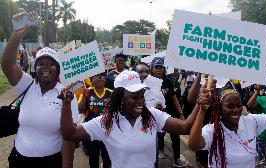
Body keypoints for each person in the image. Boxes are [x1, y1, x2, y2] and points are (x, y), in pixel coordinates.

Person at [60, 70, 197, 168]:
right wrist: (66, 104)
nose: (140, 101)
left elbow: (185, 127)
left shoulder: (153, 115)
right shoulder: (106, 121)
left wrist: (200, 107)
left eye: (141, 96)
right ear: (120, 98)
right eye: (134, 97)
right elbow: (69, 134)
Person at [1, 13, 78, 168]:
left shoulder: (66, 95)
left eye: (50, 63)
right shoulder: (28, 85)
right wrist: (17, 34)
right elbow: (7, 65)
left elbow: (68, 138)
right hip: (19, 160)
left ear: (58, 69)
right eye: (41, 63)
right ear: (35, 68)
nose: (45, 67)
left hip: (50, 162)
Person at [188, 86, 266, 168]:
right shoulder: (212, 130)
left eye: (239, 105)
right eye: (230, 106)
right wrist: (202, 111)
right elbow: (193, 146)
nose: (236, 110)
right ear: (220, 109)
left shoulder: (250, 121)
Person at [150, 57, 187, 167]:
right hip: (156, 115)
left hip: (171, 113)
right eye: (156, 67)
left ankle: (177, 158)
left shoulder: (168, 81)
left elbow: (174, 97)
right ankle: (160, 149)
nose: (159, 70)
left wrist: (180, 113)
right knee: (159, 134)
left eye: (161, 67)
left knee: (175, 136)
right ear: (152, 68)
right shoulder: (148, 82)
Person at [78, 72, 111, 168]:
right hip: (91, 130)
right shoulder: (87, 91)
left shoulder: (111, 92)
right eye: (97, 76)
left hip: (107, 131)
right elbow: (80, 110)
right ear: (92, 80)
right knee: (93, 157)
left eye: (102, 76)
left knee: (107, 158)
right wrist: (84, 96)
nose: (100, 78)